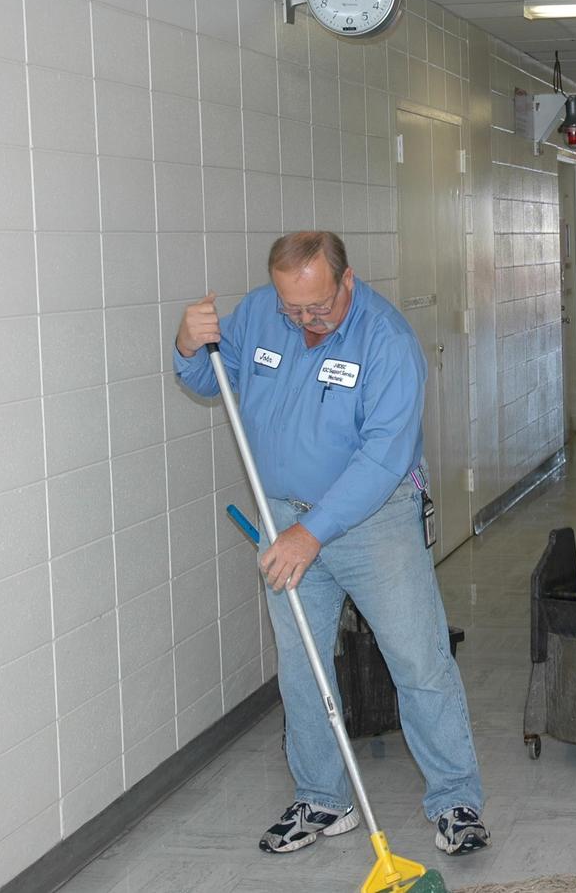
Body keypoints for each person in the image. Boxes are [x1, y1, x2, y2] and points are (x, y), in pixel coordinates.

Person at [173, 231, 489, 856]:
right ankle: (322, 798)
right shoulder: (263, 313)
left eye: (317, 307)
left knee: (418, 661)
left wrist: (310, 534)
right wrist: (188, 343)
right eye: (292, 308)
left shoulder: (388, 341)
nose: (305, 321)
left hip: (372, 522)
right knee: (302, 666)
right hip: (282, 516)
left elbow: (383, 458)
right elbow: (209, 379)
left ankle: (455, 799)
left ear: (347, 280)